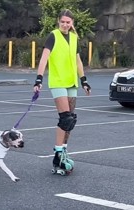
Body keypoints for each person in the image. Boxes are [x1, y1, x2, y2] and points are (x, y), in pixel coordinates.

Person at [33, 9, 91, 175]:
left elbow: (78, 60)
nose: (65, 24)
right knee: (65, 119)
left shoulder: (74, 38)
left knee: (71, 121)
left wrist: (84, 80)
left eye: (68, 22)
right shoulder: (53, 36)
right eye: (63, 22)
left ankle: (64, 151)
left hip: (72, 83)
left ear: (72, 23)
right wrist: (39, 78)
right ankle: (57, 155)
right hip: (58, 81)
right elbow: (44, 58)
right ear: (59, 22)